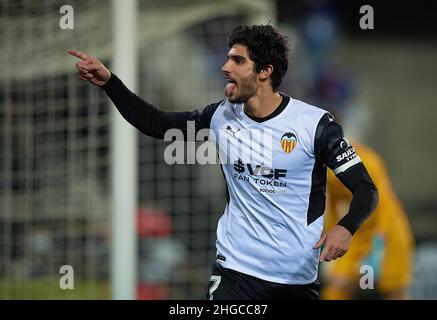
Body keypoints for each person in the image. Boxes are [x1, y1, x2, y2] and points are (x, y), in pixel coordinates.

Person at [69, 24, 378, 300]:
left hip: (295, 278)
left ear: (265, 71)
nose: (224, 66)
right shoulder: (221, 116)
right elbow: (156, 123)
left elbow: (365, 189)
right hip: (235, 273)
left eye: (237, 60)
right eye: (228, 57)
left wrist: (346, 227)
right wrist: (110, 83)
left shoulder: (315, 125)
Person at [321, 142, 414, 300]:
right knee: (336, 289)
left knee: (393, 291)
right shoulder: (320, 164)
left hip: (386, 236)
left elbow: (381, 206)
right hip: (353, 235)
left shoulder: (364, 160)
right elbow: (330, 206)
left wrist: (376, 250)